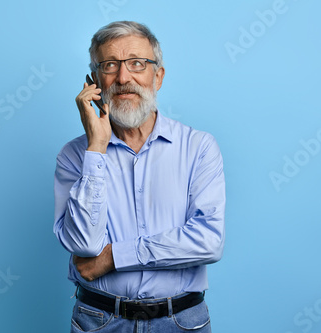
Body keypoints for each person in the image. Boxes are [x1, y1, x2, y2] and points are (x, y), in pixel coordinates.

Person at [54, 21, 225, 332]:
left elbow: (209, 242)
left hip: (181, 321)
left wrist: (114, 258)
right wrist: (96, 148)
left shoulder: (198, 147)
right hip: (100, 321)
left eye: (137, 64)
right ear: (94, 81)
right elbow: (84, 245)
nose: (123, 78)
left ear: (157, 76)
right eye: (110, 66)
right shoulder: (74, 156)